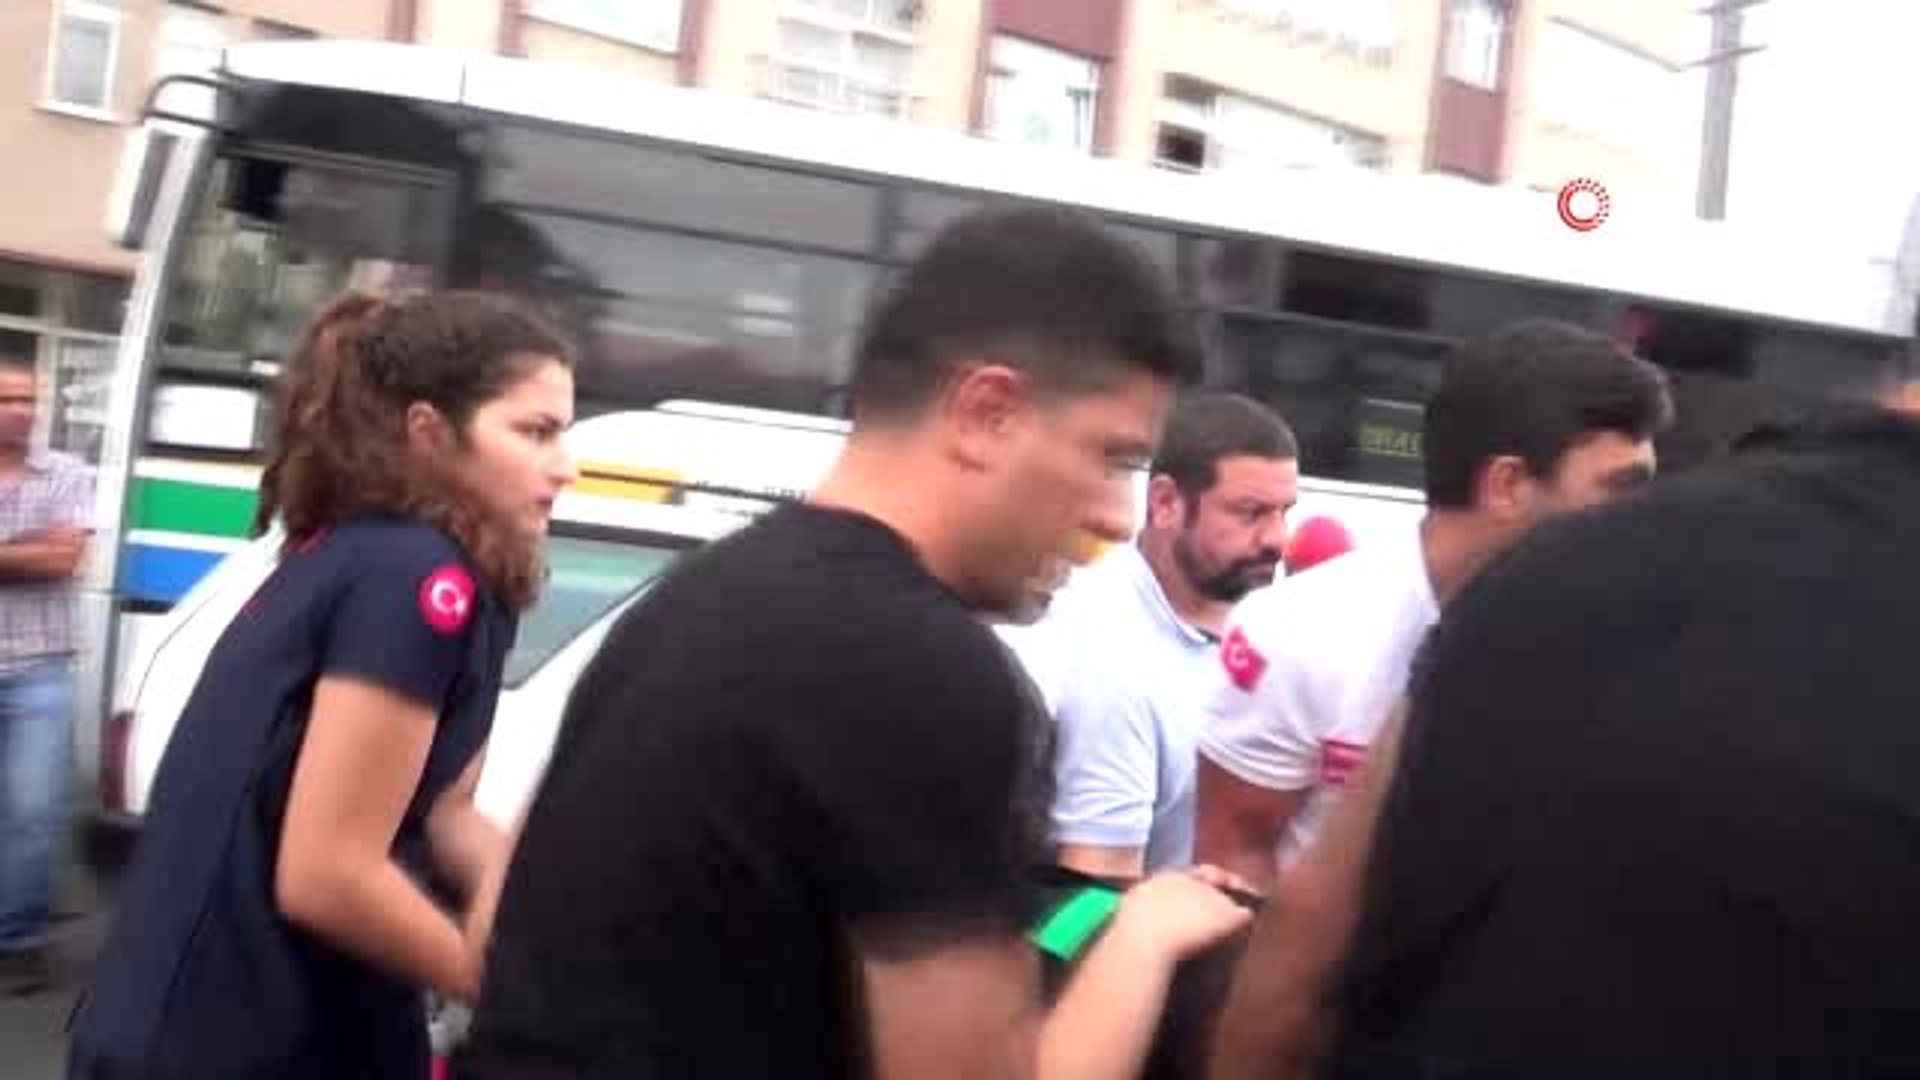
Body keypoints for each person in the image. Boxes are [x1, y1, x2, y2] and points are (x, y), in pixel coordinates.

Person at [456, 207, 1255, 1080]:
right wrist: (1141, 940)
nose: (1116, 517)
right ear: (987, 412)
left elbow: (508, 930)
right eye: (1111, 459)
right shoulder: (921, 668)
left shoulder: (692, 599)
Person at [1303, 386, 1920, 1077]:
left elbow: (1311, 936)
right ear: (1508, 483)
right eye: (1620, 485)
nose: (1638, 503)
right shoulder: (1351, 617)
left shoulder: (1547, 575)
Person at [68, 290, 578, 1079]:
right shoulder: (413, 576)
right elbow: (328, 873)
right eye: (534, 432)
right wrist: (512, 997)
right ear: (429, 433)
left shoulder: (400, 562)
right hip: (238, 1041)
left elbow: (445, 808)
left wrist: (519, 903)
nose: (565, 467)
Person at [1194, 318, 1674, 891]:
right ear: (1508, 484)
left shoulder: (1630, 651)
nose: (1644, 519)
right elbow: (1237, 855)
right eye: (1620, 490)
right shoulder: (1301, 632)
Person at [1010, 392, 1297, 878]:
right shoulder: (1110, 655)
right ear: (1165, 503)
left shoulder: (1275, 627)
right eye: (1250, 512)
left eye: (1284, 511)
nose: (1277, 539)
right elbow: (1094, 888)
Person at [0, 350, 93, 997]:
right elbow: (44, 554)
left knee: (35, 810)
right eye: (7, 400)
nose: (21, 411)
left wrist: (38, 554)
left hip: (40, 668)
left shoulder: (66, 471)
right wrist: (24, 552)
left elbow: (64, 560)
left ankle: (17, 940)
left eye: (28, 399)